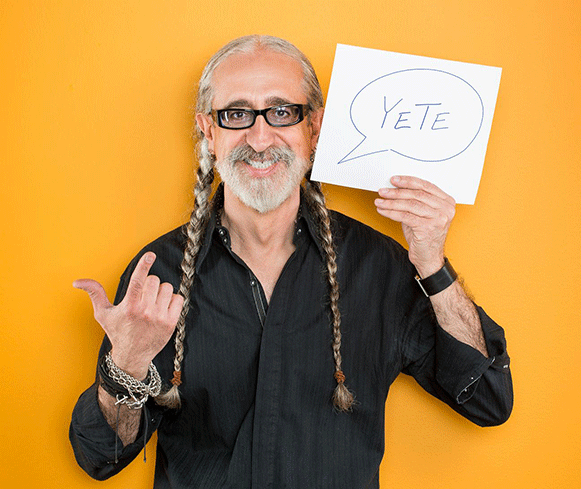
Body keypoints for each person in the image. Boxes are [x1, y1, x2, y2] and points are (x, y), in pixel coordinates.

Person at [70, 35, 512, 488]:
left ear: (314, 128)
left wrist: (432, 262)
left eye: (282, 112)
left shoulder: (378, 267)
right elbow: (102, 456)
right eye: (237, 114)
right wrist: (126, 365)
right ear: (208, 131)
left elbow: (488, 399)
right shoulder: (158, 275)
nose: (260, 139)